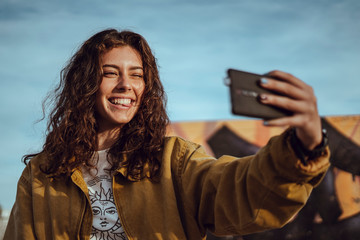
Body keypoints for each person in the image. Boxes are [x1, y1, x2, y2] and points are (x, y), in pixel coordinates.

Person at [4, 29, 330, 240]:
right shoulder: (42, 173)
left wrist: (304, 146)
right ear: (85, 85)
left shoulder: (174, 161)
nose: (125, 85)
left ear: (147, 89)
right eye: (109, 73)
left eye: (136, 75)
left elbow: (241, 193)